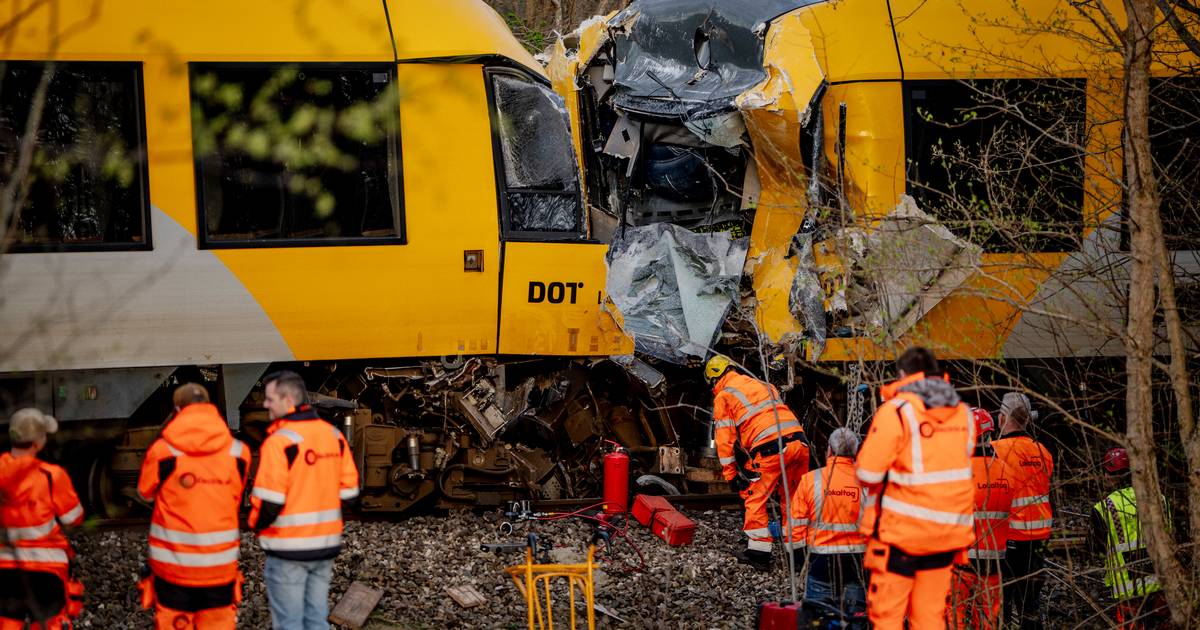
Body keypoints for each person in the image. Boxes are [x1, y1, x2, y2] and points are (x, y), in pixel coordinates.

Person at [855, 347, 975, 630]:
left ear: (902, 374)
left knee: (887, 617)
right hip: (946, 535)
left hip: (901, 537)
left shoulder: (897, 412)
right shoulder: (964, 414)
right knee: (930, 618)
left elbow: (867, 473)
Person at [249, 371, 360, 630]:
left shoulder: (280, 442)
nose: (265, 404)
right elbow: (351, 496)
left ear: (288, 400)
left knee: (289, 623)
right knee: (316, 619)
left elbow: (269, 505)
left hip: (288, 550)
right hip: (324, 546)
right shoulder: (334, 436)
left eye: (270, 399)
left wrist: (257, 527)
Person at [136, 383, 250, 629]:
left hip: (173, 569)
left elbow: (145, 493)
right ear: (209, 407)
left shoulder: (162, 452)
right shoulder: (239, 453)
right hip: (220, 568)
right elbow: (236, 492)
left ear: (178, 410)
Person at [706, 354, 810, 570]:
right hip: (799, 443)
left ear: (714, 378)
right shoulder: (764, 385)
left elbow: (724, 441)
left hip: (771, 448)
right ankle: (798, 556)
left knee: (754, 497)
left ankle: (759, 554)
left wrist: (731, 475)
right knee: (793, 499)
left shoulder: (724, 396)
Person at [0, 408, 85, 629]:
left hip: (5, 568)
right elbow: (73, 518)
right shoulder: (51, 475)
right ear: (38, 442)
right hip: (46, 569)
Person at [790, 427, 866, 626]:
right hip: (858, 561)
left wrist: (799, 558)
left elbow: (795, 524)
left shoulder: (810, 480)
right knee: (856, 619)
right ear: (855, 453)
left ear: (829, 451)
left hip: (821, 561)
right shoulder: (867, 483)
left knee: (818, 617)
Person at [992, 392, 1053, 629]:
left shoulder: (995, 451)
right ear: (1028, 419)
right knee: (1030, 605)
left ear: (1001, 418)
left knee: (1003, 603)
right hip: (1039, 540)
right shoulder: (1043, 452)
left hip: (1009, 539)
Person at [948, 408, 1013, 630]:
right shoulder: (1006, 471)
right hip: (994, 561)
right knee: (988, 619)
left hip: (961, 561)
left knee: (955, 617)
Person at [1090, 447, 1169, 629]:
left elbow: (1095, 550)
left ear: (1109, 475)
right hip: (1162, 579)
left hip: (1128, 588)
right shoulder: (1160, 499)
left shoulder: (1104, 508)